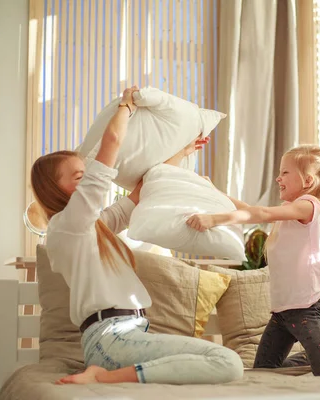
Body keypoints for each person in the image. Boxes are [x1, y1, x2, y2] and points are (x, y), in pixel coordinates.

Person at [31, 86, 243, 385]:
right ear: (55, 189)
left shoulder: (90, 227)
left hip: (123, 336)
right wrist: (127, 106)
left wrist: (183, 149)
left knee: (220, 361)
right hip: (112, 338)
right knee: (228, 362)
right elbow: (113, 143)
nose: (89, 177)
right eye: (80, 176)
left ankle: (108, 375)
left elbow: (140, 194)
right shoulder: (67, 225)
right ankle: (105, 378)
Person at [187, 144, 320, 377]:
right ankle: (312, 356)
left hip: (307, 309)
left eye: (285, 172)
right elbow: (251, 210)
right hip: (282, 314)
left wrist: (213, 219)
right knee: (265, 370)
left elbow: (261, 213)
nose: (278, 178)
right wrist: (214, 192)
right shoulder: (289, 210)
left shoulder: (310, 207)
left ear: (307, 181)